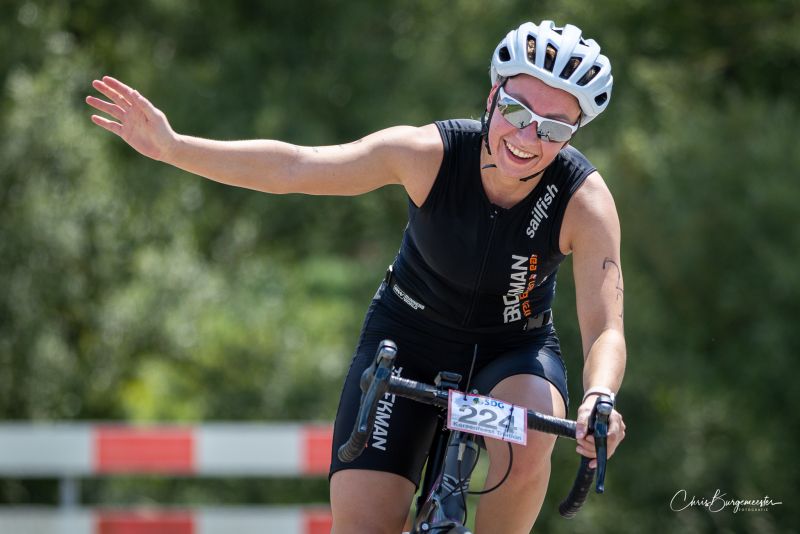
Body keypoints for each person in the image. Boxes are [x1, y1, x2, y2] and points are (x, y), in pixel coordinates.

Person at [87, 19, 626, 534]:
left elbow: (606, 326)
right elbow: (296, 167)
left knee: (530, 435)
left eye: (554, 127)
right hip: (409, 339)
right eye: (515, 109)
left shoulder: (584, 202)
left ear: (573, 134)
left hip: (512, 352)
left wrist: (598, 396)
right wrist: (175, 147)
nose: (527, 135)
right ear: (491, 98)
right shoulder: (429, 155)